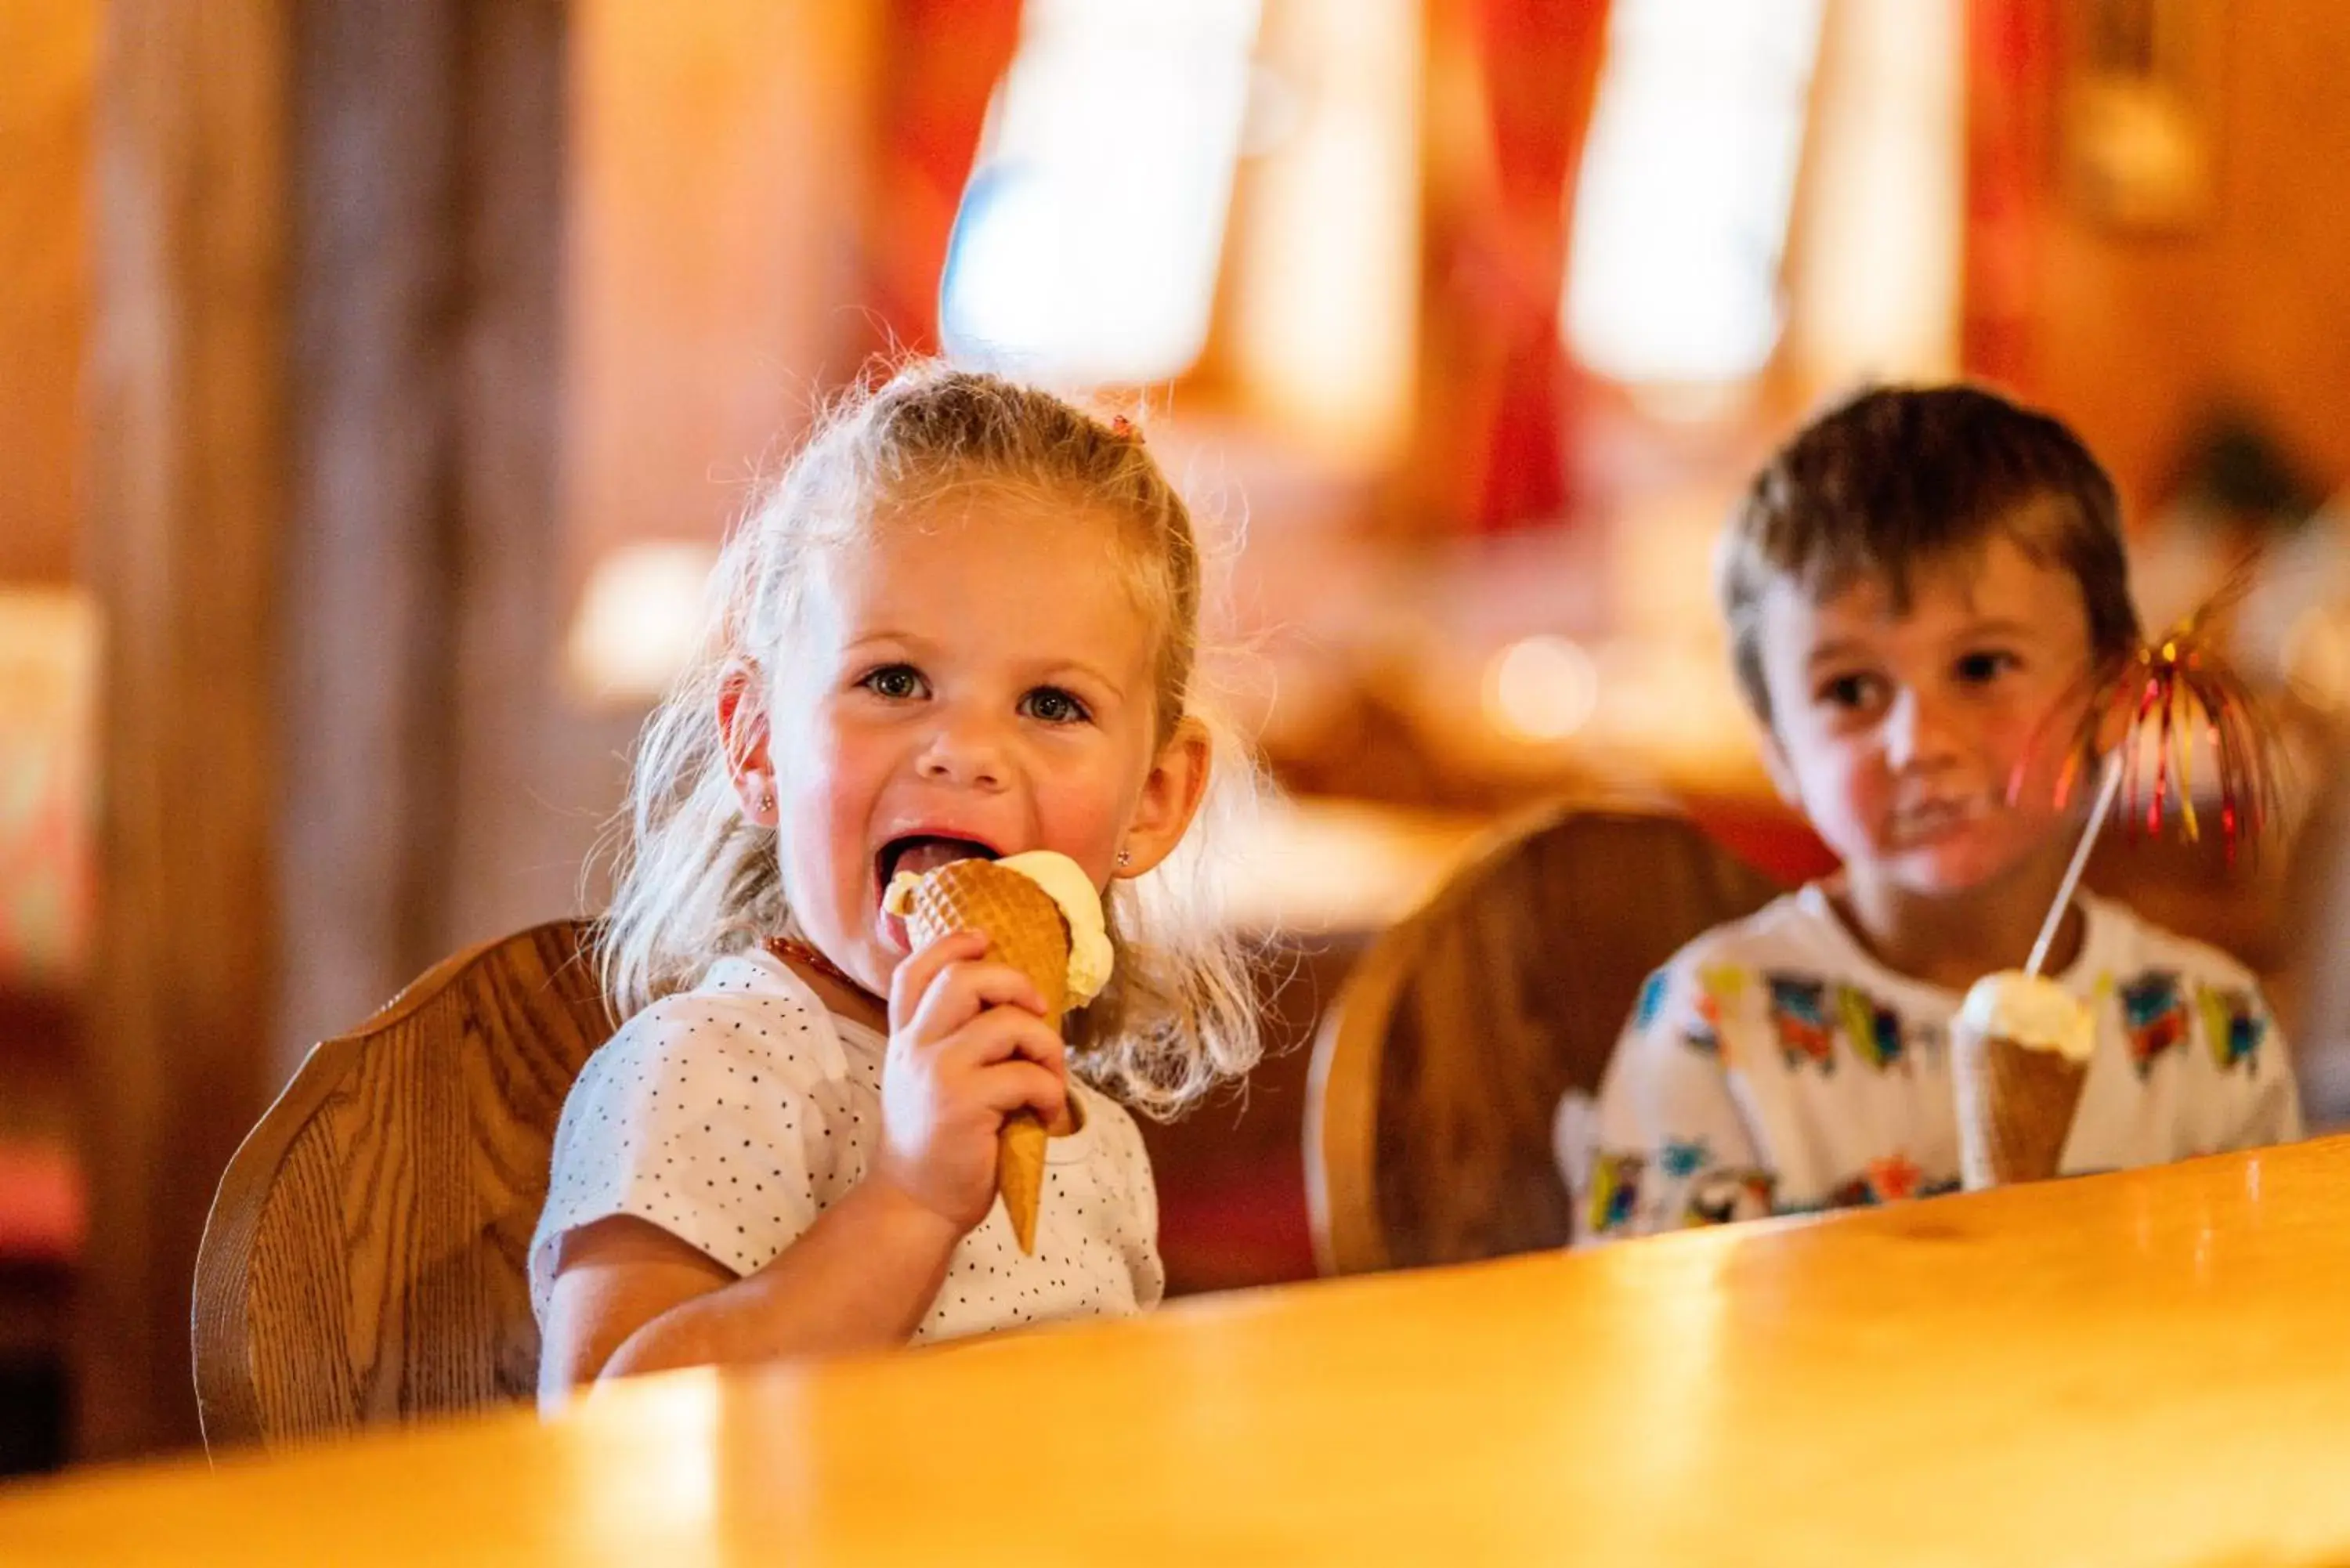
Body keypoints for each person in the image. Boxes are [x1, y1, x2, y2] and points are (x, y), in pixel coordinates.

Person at [532, 363, 1259, 1404]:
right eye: (894, 681)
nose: (963, 749)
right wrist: (910, 1199)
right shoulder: (711, 1070)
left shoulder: (1091, 1141)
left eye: (1051, 703)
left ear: (1153, 797)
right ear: (759, 742)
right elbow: (607, 1430)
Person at [1562, 385, 2301, 1241]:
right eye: (1851, 689)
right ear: (1781, 753)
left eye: (1984, 667)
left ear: (2115, 701)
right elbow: (1644, 1343)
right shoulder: (1715, 1028)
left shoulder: (2209, 1033)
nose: (1919, 741)